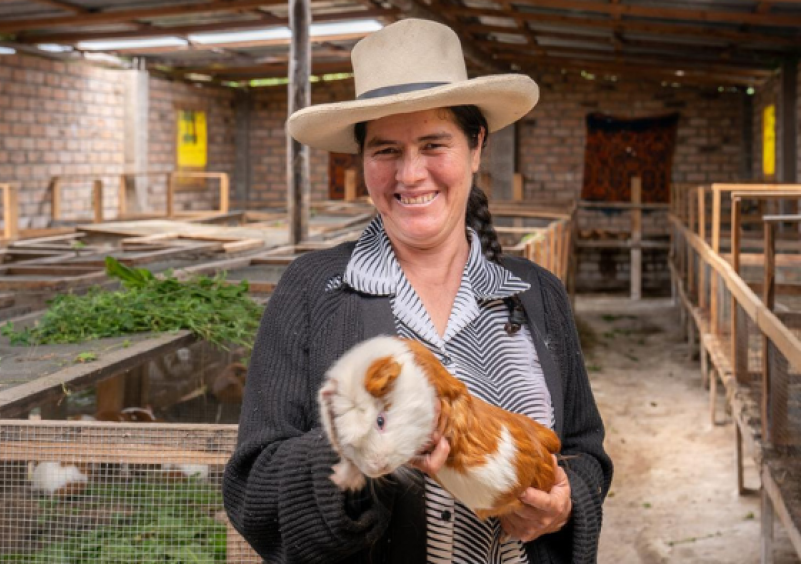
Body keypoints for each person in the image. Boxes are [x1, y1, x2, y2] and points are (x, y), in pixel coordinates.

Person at [222, 18, 612, 564]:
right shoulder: (312, 292)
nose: (411, 174)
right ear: (362, 162)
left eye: (434, 144)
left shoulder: (537, 294)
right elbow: (251, 486)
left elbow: (585, 451)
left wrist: (563, 505)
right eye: (385, 150)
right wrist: (363, 448)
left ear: (476, 146)